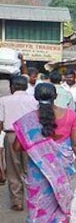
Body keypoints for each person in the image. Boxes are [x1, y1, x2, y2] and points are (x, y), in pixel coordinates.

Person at [13, 83, 76, 223]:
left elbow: (16, 147)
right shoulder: (71, 115)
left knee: (40, 208)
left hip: (38, 173)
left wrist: (35, 145)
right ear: (56, 96)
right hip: (62, 169)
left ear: (36, 98)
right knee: (60, 203)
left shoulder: (27, 120)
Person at [0, 75, 38, 210]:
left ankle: (17, 201)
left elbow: (0, 122)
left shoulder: (4, 100)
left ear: (12, 87)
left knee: (13, 169)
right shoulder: (34, 100)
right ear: (26, 87)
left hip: (11, 135)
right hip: (31, 135)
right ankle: (35, 198)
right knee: (31, 168)